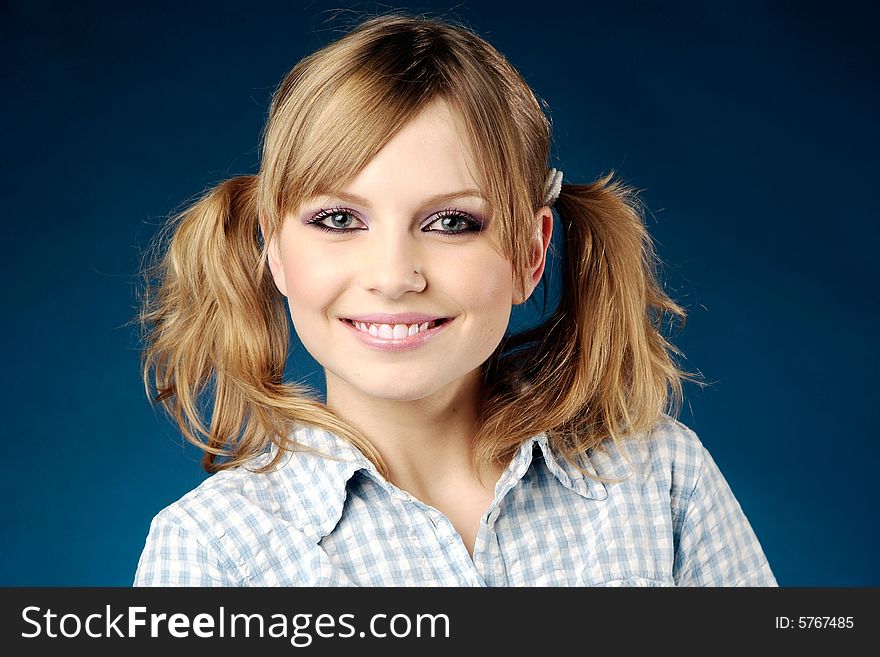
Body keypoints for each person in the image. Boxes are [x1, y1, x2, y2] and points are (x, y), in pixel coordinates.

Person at [133, 12, 776, 586]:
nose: (393, 276)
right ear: (274, 247)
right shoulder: (213, 554)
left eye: (450, 223)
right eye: (337, 219)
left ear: (529, 253)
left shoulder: (660, 478)